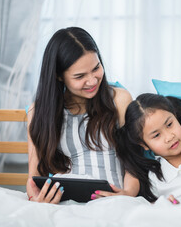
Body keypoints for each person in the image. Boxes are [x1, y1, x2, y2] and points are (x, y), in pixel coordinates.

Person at [26, 27, 139, 203]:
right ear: (59, 76)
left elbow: (133, 161)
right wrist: (37, 199)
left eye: (96, 68)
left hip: (115, 203)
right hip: (65, 204)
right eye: (80, 76)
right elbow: (33, 177)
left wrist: (128, 193)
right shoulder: (38, 112)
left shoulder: (120, 99)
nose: (93, 80)